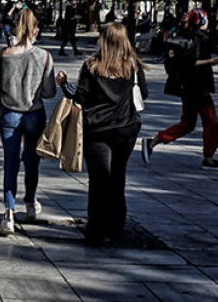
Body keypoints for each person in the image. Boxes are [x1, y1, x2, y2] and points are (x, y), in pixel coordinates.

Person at [56, 23, 150, 245]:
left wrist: (63, 84)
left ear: (105, 40)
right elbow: (143, 93)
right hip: (126, 129)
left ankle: (96, 228)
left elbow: (79, 96)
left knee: (99, 179)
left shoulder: (92, 66)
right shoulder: (132, 65)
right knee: (118, 176)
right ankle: (116, 226)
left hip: (97, 130)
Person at [0, 9, 56, 235]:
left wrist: (4, 90)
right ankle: (31, 204)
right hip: (34, 113)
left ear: (14, 28)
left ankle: (8, 213)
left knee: (10, 163)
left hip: (10, 112)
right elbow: (50, 91)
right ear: (36, 30)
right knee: (33, 161)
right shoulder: (45, 57)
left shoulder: (3, 55)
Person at [142, 8, 218, 172]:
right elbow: (191, 62)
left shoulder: (189, 36)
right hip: (197, 86)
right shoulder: (198, 39)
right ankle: (209, 158)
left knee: (187, 123)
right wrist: (214, 61)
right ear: (201, 21)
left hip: (187, 86)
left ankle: (153, 141)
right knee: (211, 122)